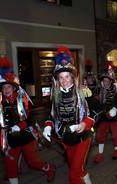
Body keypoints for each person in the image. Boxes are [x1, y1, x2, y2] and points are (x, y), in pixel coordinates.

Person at [0, 57, 55, 184]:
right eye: (4, 88)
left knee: (33, 161)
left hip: (26, 137)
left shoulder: (22, 101)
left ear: (14, 88)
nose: (6, 90)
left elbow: (30, 119)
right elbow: (1, 120)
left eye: (8, 87)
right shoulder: (2, 103)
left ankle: (49, 168)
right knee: (10, 165)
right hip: (11, 139)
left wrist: (19, 126)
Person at [42, 46, 100, 184]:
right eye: (61, 77)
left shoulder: (83, 91)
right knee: (78, 169)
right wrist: (48, 127)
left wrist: (86, 123)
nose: (64, 80)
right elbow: (51, 116)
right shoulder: (55, 96)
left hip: (82, 137)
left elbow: (98, 110)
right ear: (57, 79)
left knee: (73, 176)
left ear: (72, 76)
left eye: (67, 76)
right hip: (65, 139)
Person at [93, 61, 117, 163]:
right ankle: (100, 154)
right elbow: (96, 102)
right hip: (103, 116)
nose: (106, 83)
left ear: (110, 81)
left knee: (115, 135)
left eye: (107, 81)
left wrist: (115, 109)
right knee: (100, 135)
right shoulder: (99, 90)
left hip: (114, 116)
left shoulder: (115, 88)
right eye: (104, 81)